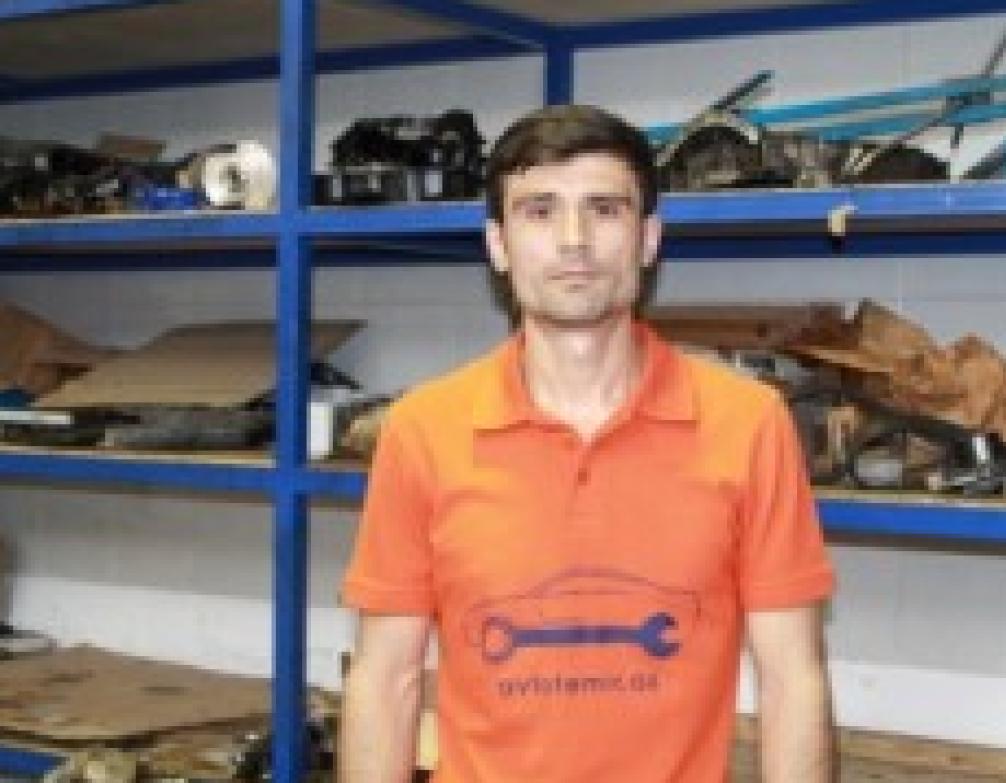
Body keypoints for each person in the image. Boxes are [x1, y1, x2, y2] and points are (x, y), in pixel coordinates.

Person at [339, 104, 836, 783]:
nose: (574, 240)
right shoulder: (423, 430)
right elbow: (386, 679)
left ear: (648, 238)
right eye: (540, 211)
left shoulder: (749, 424)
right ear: (498, 245)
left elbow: (792, 679)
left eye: (604, 210)